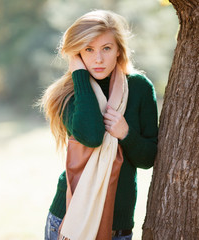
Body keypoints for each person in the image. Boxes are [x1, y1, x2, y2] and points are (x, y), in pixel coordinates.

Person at [39, 10, 158, 240]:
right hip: (69, 219)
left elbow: (148, 158)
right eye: (88, 50)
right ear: (77, 54)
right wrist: (80, 76)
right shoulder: (69, 94)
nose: (98, 59)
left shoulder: (140, 88)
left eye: (106, 48)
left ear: (118, 51)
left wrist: (126, 134)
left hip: (118, 227)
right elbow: (92, 136)